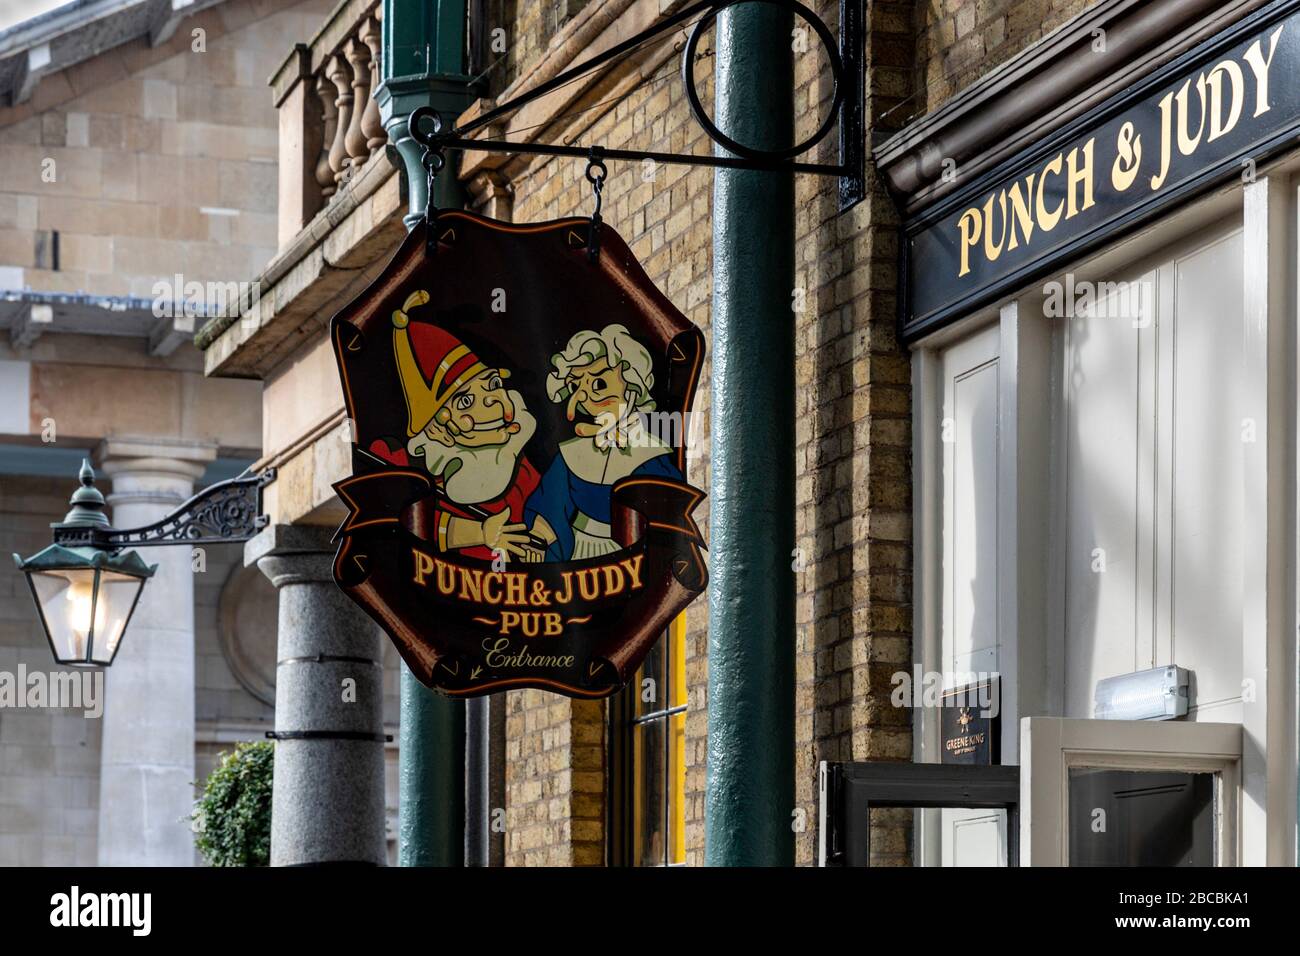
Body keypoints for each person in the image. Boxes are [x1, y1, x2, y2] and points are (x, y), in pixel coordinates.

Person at [525, 324, 681, 561]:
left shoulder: (651, 453)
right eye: (577, 386)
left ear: (630, 382)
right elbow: (551, 504)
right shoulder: (572, 454)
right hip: (580, 554)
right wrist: (539, 537)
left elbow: (668, 511)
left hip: (632, 558)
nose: (585, 397)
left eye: (598, 383)